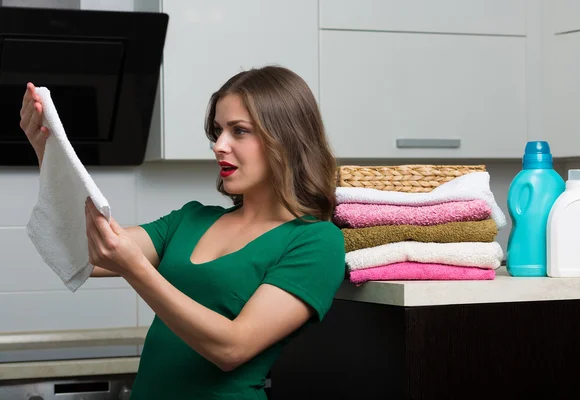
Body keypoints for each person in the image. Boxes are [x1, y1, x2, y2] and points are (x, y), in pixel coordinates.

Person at [19, 66, 346, 399]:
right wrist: (47, 149)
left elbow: (232, 348)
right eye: (217, 130)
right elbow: (85, 249)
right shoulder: (191, 220)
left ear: (286, 139)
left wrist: (137, 270)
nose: (219, 145)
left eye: (239, 131)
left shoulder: (315, 241)